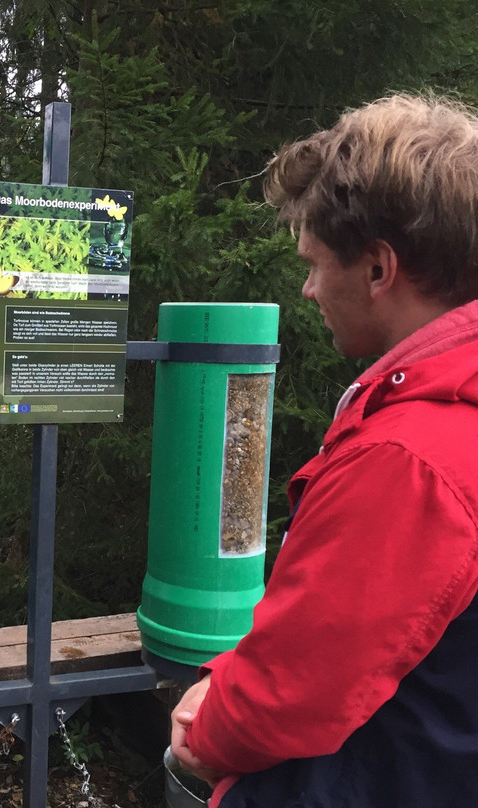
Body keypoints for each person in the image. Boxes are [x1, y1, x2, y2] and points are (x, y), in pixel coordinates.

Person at [168, 93, 478, 807]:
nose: (307, 290)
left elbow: (294, 690)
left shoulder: (409, 459)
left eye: (313, 264)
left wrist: (206, 727)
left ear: (378, 269)